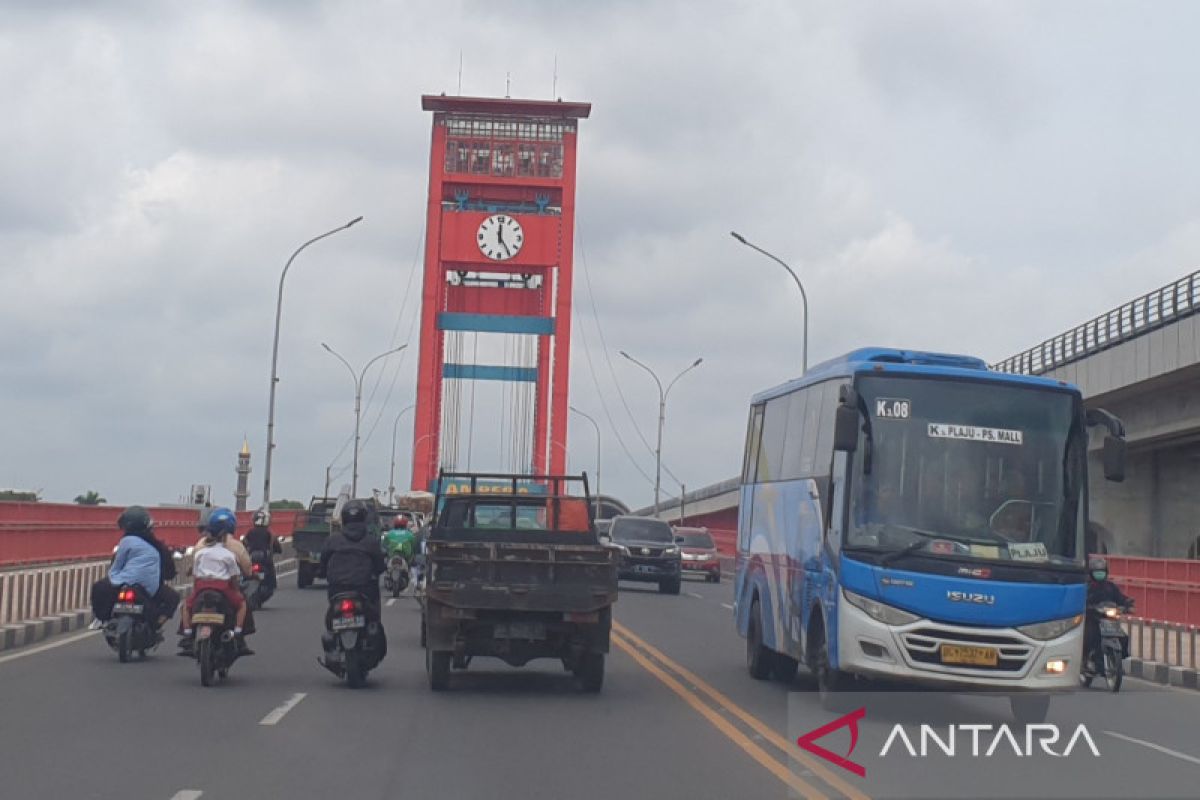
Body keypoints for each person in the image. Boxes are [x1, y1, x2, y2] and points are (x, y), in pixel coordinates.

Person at [179, 508, 253, 655]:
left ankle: (187, 634)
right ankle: (238, 634)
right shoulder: (233, 550)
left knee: (186, 606)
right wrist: (236, 588)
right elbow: (237, 575)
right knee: (242, 604)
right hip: (223, 588)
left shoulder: (200, 548)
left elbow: (193, 571)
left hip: (201, 587)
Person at [320, 499, 387, 656]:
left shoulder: (333, 540)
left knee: (331, 618)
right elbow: (379, 565)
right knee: (374, 619)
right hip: (365, 590)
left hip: (337, 589)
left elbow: (323, 562)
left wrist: (322, 573)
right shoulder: (371, 541)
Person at [90, 506, 167, 626]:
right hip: (149, 587)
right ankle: (156, 624)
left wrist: (112, 577)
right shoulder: (158, 545)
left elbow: (116, 566)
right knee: (171, 598)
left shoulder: (126, 541)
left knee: (98, 588)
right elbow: (169, 569)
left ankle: (101, 619)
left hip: (126, 582)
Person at [1083, 556, 1133, 675]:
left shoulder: (1110, 587)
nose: (1099, 575)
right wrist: (1088, 607)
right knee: (1091, 638)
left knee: (1123, 637)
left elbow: (1120, 598)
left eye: (1102, 572)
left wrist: (1127, 604)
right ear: (1091, 573)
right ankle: (1086, 661)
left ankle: (1117, 660)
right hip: (1093, 619)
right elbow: (1080, 601)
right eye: (1097, 573)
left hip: (1109, 620)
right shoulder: (1087, 587)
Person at [242, 508, 281, 593]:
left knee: (244, 570)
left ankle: (244, 581)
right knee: (270, 568)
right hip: (264, 557)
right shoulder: (268, 533)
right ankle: (271, 584)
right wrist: (278, 550)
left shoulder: (250, 531)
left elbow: (244, 543)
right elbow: (275, 545)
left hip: (252, 557)